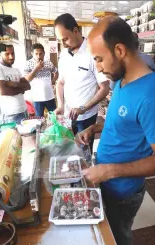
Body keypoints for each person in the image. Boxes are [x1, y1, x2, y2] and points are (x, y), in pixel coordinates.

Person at [76, 17, 155, 245]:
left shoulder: (152, 96)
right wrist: (93, 129)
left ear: (120, 50)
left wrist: (110, 170)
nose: (98, 67)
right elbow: (122, 123)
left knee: (117, 241)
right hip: (106, 180)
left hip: (122, 191)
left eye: (99, 59)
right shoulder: (120, 81)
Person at [54, 13, 110, 151]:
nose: (63, 44)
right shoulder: (64, 55)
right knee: (68, 149)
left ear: (75, 31)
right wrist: (60, 106)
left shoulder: (92, 53)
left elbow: (104, 88)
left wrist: (82, 108)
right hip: (67, 116)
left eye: (65, 39)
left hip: (86, 117)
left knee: (83, 153)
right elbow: (60, 82)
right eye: (61, 40)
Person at [0, 45, 31, 124]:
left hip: (23, 111)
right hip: (11, 114)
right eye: (7, 54)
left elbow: (28, 86)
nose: (11, 57)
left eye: (13, 53)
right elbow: (3, 91)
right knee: (13, 136)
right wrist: (21, 89)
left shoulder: (16, 70)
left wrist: (15, 84)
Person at [24, 43, 59, 117]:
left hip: (50, 97)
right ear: (32, 54)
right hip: (37, 98)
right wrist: (36, 68)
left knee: (54, 118)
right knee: (39, 120)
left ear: (44, 53)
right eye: (36, 54)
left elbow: (56, 72)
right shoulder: (28, 63)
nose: (39, 56)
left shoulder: (48, 62)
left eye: (40, 53)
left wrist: (52, 82)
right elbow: (27, 79)